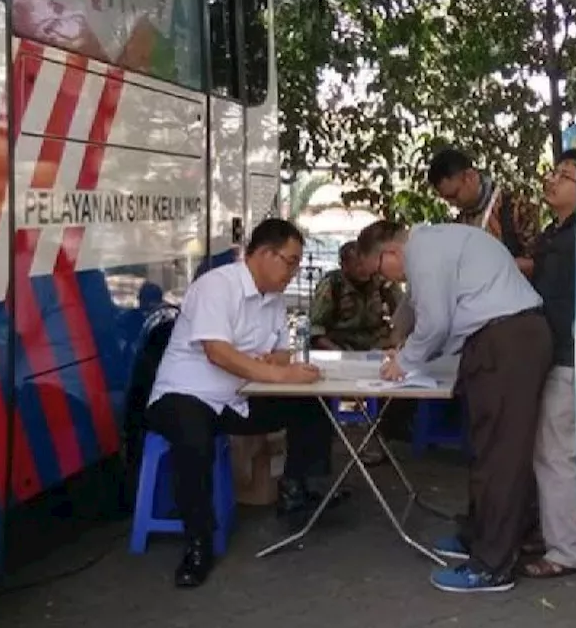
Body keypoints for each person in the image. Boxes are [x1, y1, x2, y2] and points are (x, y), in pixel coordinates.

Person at [358, 219, 550, 594]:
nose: (390, 280)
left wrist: (404, 363)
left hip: (507, 342)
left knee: (501, 455)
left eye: (382, 271)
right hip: (500, 341)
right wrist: (409, 351)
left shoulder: (423, 253)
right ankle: (480, 535)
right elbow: (429, 318)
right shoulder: (436, 242)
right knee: (485, 448)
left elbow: (434, 323)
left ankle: (493, 565)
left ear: (391, 253)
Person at [146, 219, 335, 589]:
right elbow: (217, 352)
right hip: (186, 393)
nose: (294, 270)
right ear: (265, 254)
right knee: (193, 439)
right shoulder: (218, 286)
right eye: (291, 261)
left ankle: (296, 487)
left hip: (238, 397)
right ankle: (198, 543)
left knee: (313, 403)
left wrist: (276, 365)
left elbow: (281, 350)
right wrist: (278, 376)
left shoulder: (274, 299)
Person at [522, 149, 576, 579]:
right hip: (556, 354)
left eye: (566, 176)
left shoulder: (575, 239)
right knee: (555, 452)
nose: (553, 181)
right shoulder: (555, 234)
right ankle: (556, 535)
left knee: (556, 454)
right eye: (554, 172)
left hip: (566, 355)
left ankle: (566, 551)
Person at [427, 147, 541, 278]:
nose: (452, 203)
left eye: (454, 195)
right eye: (446, 199)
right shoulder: (459, 224)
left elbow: (538, 265)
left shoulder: (516, 207)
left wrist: (497, 267)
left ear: (470, 176)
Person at [309, 240, 405, 351]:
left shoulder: (381, 280)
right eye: (357, 265)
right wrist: (337, 352)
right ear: (344, 266)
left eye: (365, 264)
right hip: (342, 345)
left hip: (378, 345)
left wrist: (395, 340)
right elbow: (316, 328)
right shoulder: (332, 284)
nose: (363, 269)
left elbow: (403, 314)